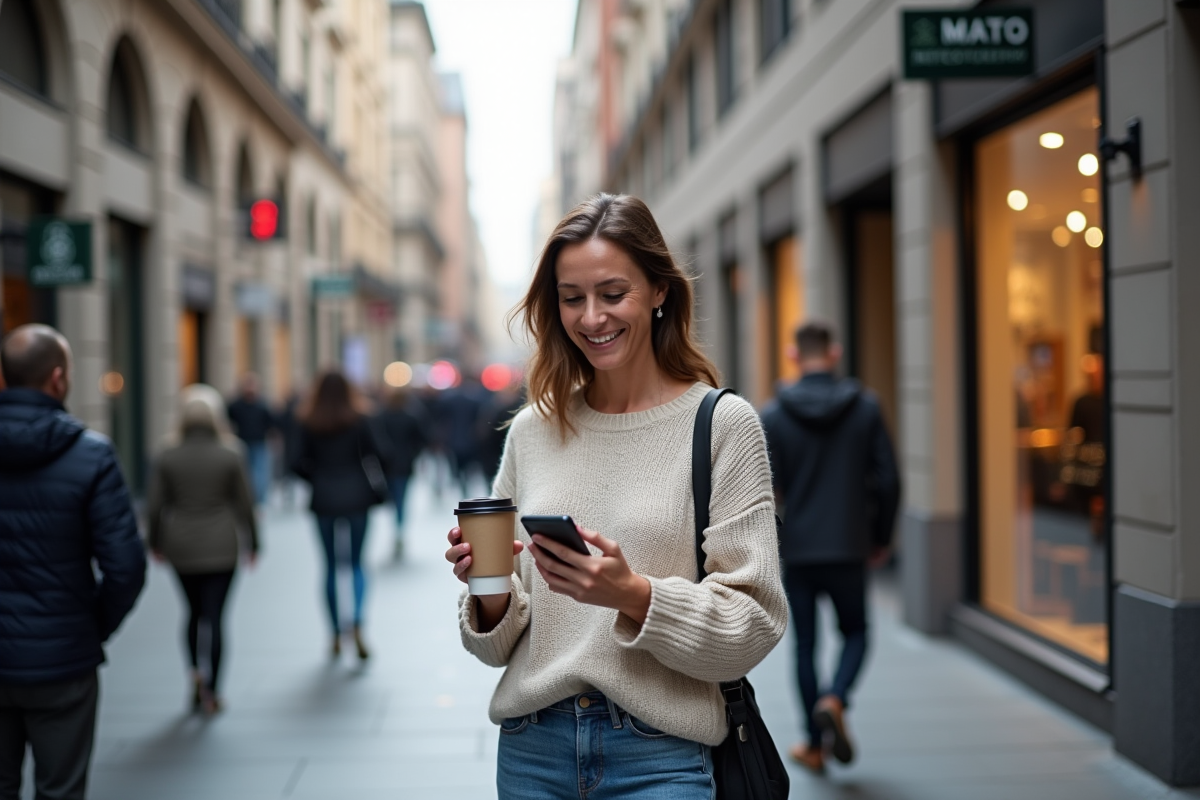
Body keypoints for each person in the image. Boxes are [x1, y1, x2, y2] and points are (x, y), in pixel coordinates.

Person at [444, 194, 787, 798]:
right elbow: (498, 644)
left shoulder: (722, 425)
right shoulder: (534, 429)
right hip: (532, 751)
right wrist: (487, 589)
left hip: (660, 755)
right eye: (572, 298)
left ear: (658, 290)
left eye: (612, 293)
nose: (591, 317)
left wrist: (631, 593)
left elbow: (754, 622)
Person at [0, 324, 146, 800]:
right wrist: (90, 626)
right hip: (61, 660)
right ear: (58, 379)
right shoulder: (91, 455)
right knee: (60, 789)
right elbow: (125, 566)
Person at [759, 321, 901, 774]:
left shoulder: (774, 414)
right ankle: (836, 698)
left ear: (792, 354)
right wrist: (880, 536)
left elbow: (767, 488)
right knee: (855, 631)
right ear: (835, 352)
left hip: (799, 547)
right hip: (849, 542)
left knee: (805, 645)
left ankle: (814, 745)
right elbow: (889, 479)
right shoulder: (865, 407)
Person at [146, 384, 259, 715]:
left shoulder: (166, 454)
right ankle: (214, 689)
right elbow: (245, 502)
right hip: (222, 545)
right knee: (217, 616)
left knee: (192, 613)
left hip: (181, 545)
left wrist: (155, 542)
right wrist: (254, 542)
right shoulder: (231, 452)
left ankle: (195, 671)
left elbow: (154, 506)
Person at [292, 370, 388, 661]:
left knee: (331, 566)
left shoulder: (307, 420)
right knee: (357, 563)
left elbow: (295, 462)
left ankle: (334, 632)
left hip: (323, 498)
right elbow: (382, 452)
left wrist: (317, 478)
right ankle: (357, 621)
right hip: (357, 495)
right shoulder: (360, 417)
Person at [376, 386, 428, 560]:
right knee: (401, 498)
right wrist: (413, 454)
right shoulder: (410, 416)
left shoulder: (382, 416)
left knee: (394, 496)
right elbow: (422, 439)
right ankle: (398, 527)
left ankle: (396, 527)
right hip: (404, 464)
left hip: (387, 465)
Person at [226, 373, 276, 505]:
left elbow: (271, 423)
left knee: (259, 473)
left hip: (259, 442)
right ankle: (247, 498)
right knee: (246, 473)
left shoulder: (262, 405)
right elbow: (228, 420)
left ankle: (258, 500)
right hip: (242, 442)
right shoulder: (236, 405)